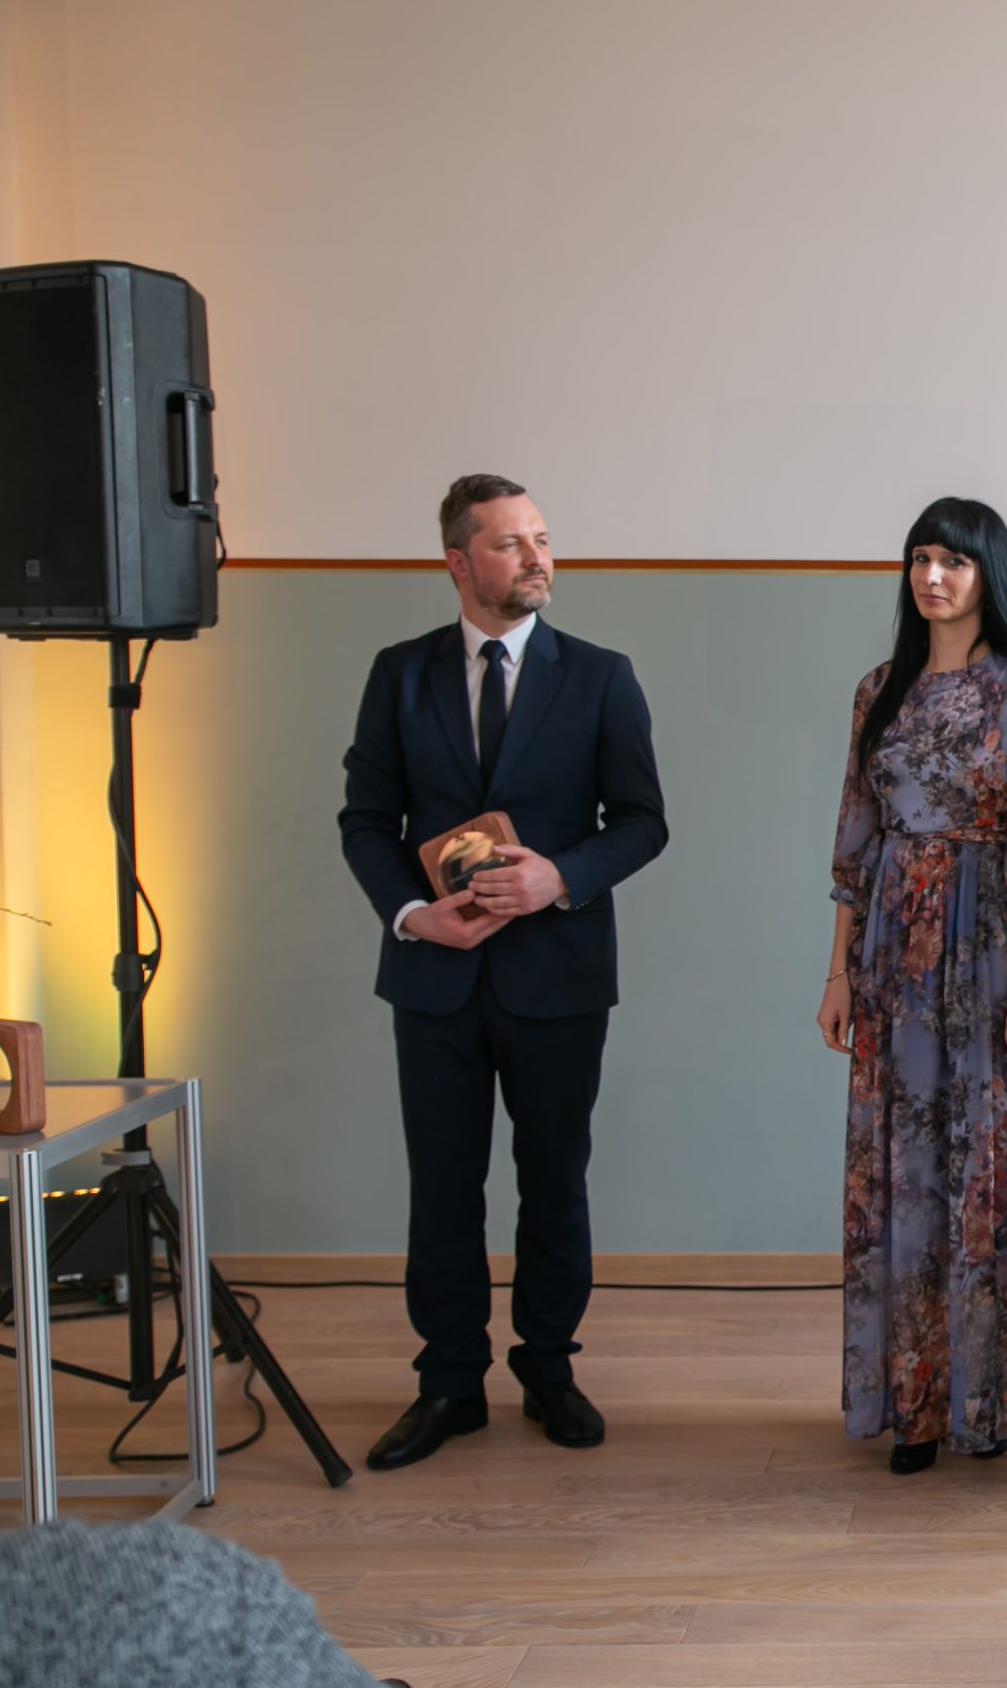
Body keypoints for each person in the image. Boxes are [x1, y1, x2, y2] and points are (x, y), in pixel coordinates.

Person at [340, 473, 669, 1471]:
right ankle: (449, 1384)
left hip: (558, 974)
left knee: (553, 1179)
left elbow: (643, 822)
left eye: (542, 539)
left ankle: (549, 1369)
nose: (536, 558)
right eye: (510, 543)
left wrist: (559, 877)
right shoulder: (399, 673)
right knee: (442, 1187)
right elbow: (366, 822)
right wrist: (413, 915)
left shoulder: (601, 675)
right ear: (458, 561)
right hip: (433, 978)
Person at [818, 497, 1007, 1473]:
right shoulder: (879, 689)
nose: (932, 576)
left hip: (990, 949)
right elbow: (856, 836)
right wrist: (838, 972)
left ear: (990, 574)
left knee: (994, 1163)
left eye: (954, 561)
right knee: (905, 1168)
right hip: (892, 951)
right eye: (920, 558)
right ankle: (918, 1400)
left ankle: (992, 1394)